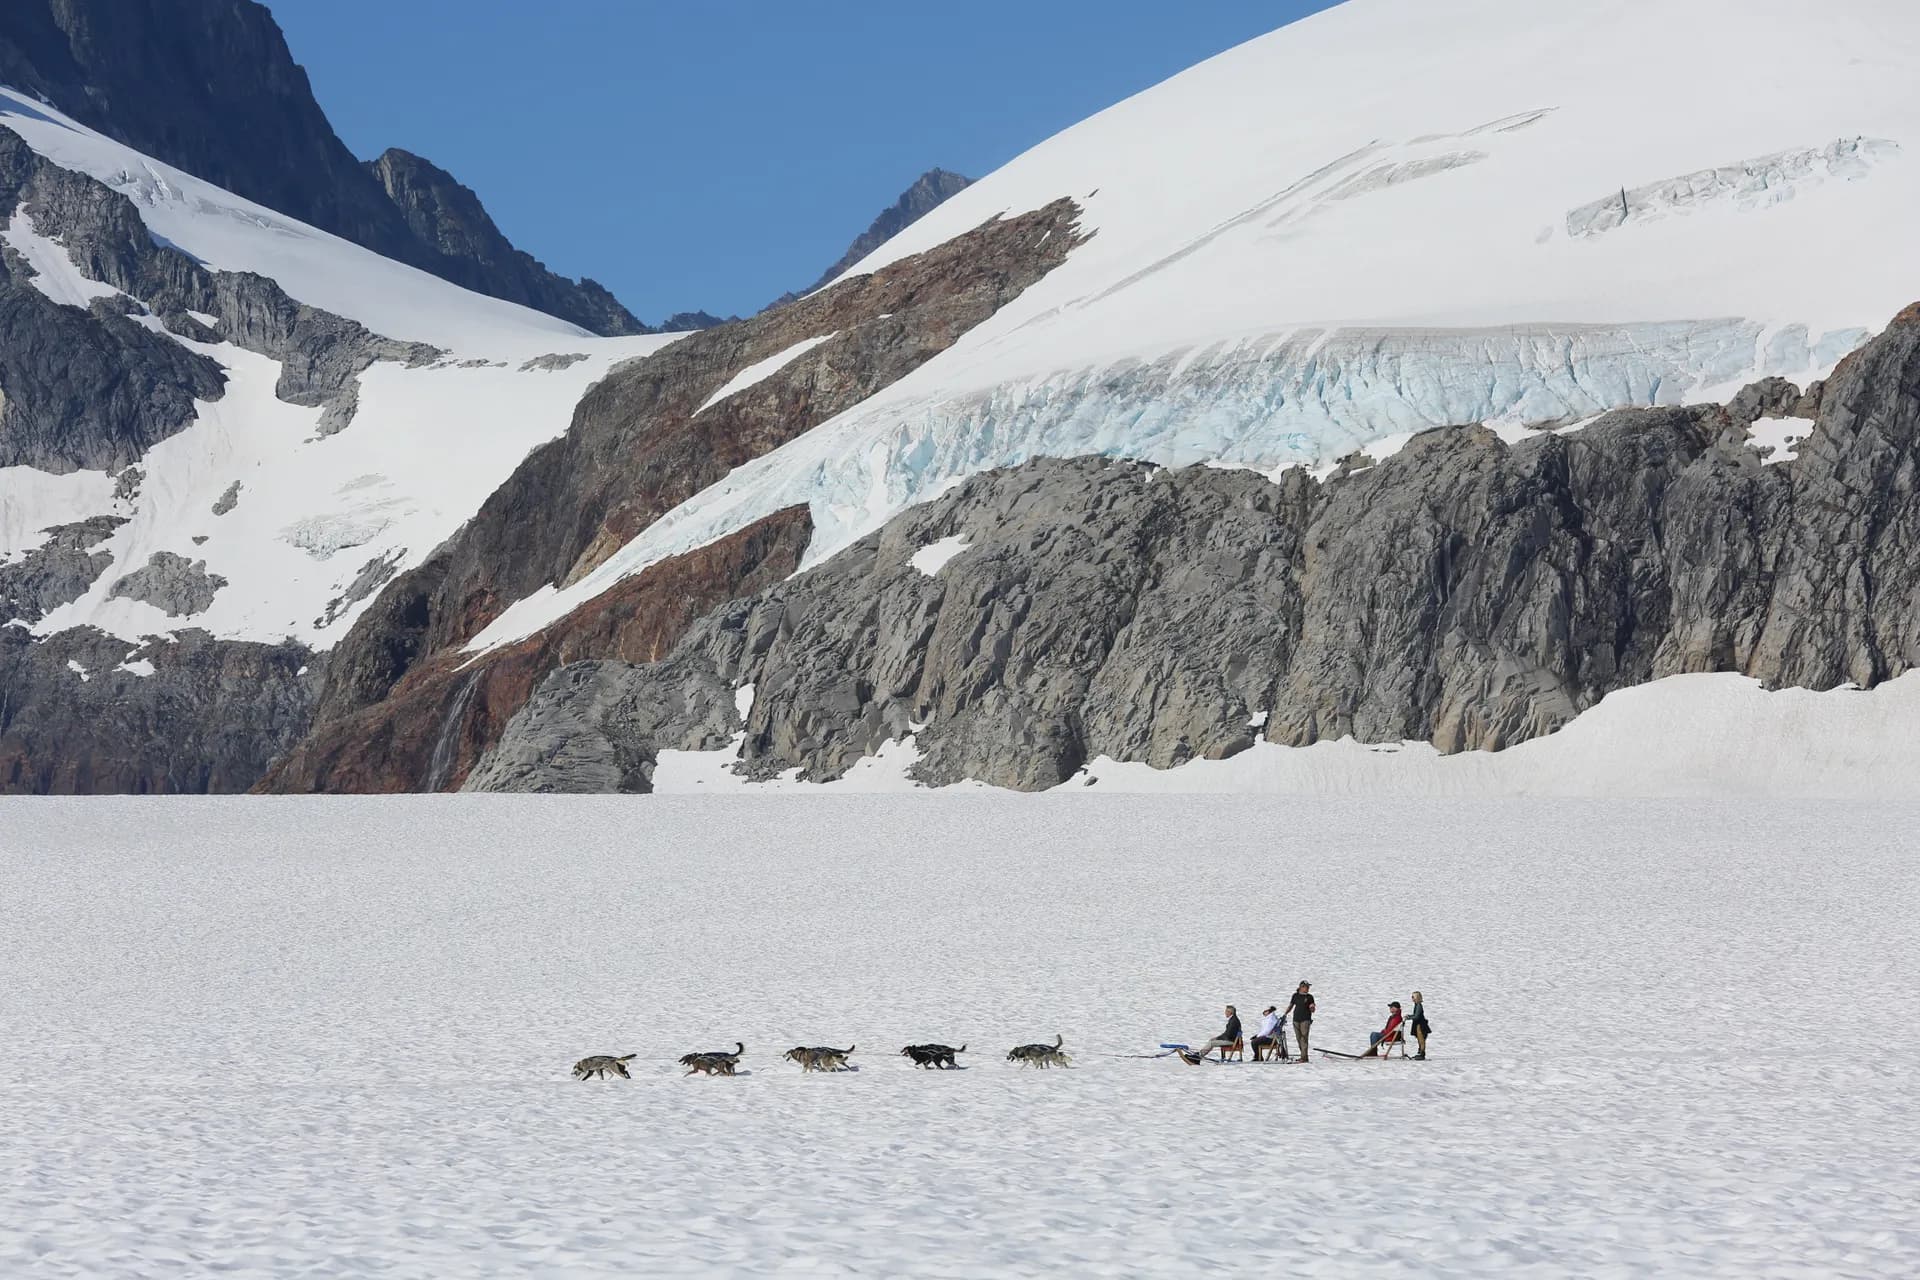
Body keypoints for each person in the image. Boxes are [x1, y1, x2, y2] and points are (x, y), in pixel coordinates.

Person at [1287, 982, 1316, 1061]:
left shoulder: (1310, 997)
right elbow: (1291, 1006)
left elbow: (1312, 1008)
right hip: (1296, 1019)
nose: (1307, 989)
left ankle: (1304, 1057)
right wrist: (1285, 1014)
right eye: (1306, 987)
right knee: (1298, 1038)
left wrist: (1312, 1008)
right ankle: (1303, 1055)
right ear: (1301, 987)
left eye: (1308, 987)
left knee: (1304, 1038)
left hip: (1305, 1020)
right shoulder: (1295, 996)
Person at [1408, 990, 1430, 1060]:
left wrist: (1409, 1017)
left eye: (1413, 997)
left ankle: (1422, 1053)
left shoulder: (1419, 1006)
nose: (1412, 998)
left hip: (1420, 1025)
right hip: (1418, 1024)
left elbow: (1417, 1016)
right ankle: (1420, 1051)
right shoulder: (1416, 1005)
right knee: (1419, 1039)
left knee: (1421, 1039)